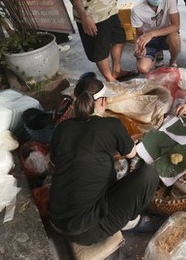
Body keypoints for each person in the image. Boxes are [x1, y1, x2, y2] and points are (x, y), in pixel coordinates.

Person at [48, 75, 160, 257]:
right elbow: (131, 153)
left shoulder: (62, 129)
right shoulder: (111, 125)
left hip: (58, 219)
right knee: (149, 174)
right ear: (102, 102)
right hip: (86, 231)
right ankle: (132, 222)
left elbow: (55, 161)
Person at [131, 0, 181, 73]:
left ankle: (173, 61)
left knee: (175, 38)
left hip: (165, 35)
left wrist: (151, 34)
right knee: (143, 69)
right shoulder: (137, 10)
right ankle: (156, 54)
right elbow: (139, 34)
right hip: (149, 40)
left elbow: (176, 25)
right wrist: (138, 49)